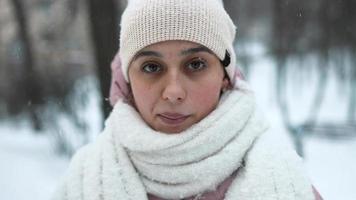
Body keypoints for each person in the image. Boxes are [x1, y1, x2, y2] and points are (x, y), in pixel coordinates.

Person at [53, 0, 323, 199]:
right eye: (151, 67)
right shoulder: (83, 182)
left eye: (195, 64)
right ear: (128, 81)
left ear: (225, 77)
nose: (173, 91)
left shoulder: (284, 180)